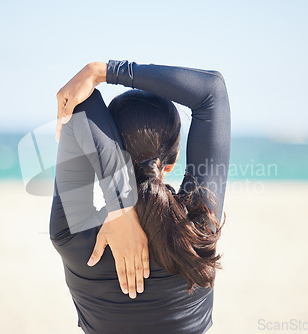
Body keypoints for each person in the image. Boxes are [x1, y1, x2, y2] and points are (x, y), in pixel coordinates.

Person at [50, 60, 231, 334]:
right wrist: (102, 71)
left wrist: (120, 203)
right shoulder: (198, 226)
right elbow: (211, 91)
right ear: (170, 163)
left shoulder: (71, 235)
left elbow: (82, 105)